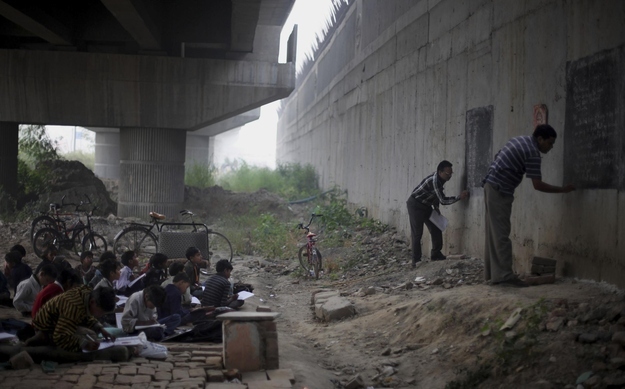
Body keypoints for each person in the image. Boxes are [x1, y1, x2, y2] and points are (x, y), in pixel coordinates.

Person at [482, 124, 576, 287]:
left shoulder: (519, 140)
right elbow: (537, 185)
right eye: (550, 143)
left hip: (490, 185)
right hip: (500, 191)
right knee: (501, 234)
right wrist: (562, 190)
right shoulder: (533, 153)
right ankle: (504, 277)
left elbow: (498, 156)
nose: (551, 147)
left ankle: (493, 275)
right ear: (540, 139)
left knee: (494, 233)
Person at [406, 160, 470, 267]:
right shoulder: (435, 180)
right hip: (415, 205)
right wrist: (459, 197)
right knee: (417, 233)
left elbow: (435, 195)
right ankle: (416, 260)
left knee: (436, 227)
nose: (449, 176)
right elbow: (443, 200)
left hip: (426, 205)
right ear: (440, 172)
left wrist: (435, 207)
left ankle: (436, 254)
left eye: (451, 174)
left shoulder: (441, 180)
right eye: (447, 174)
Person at [29, 285, 117, 352]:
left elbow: (85, 316)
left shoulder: (87, 295)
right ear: (92, 302)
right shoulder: (74, 307)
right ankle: (42, 339)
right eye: (101, 312)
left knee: (92, 335)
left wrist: (101, 329)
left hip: (62, 323)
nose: (101, 315)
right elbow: (60, 337)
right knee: (90, 338)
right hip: (46, 329)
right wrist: (84, 344)